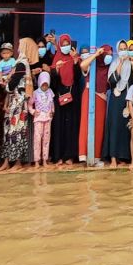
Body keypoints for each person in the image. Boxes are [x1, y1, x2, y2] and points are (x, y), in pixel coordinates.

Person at [0, 37, 37, 172]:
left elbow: (13, 83)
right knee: (9, 131)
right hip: (14, 102)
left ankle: (17, 162)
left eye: (21, 46)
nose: (18, 48)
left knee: (16, 131)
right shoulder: (20, 63)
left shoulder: (21, 64)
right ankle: (7, 161)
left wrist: (6, 86)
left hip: (18, 102)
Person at [48, 36, 81, 167]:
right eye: (64, 44)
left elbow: (78, 78)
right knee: (59, 126)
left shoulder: (74, 58)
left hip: (73, 96)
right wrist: (56, 69)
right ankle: (58, 156)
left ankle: (70, 156)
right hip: (60, 97)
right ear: (60, 45)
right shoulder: (56, 59)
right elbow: (53, 83)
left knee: (71, 126)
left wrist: (74, 61)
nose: (66, 46)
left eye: (68, 44)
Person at [30, 72, 55, 168]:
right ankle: (37, 160)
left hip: (47, 119)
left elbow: (52, 105)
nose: (45, 86)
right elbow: (29, 105)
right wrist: (33, 111)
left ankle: (45, 160)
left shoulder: (50, 92)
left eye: (46, 84)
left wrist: (52, 111)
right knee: (37, 140)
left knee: (46, 140)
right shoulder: (35, 93)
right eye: (43, 84)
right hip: (38, 119)